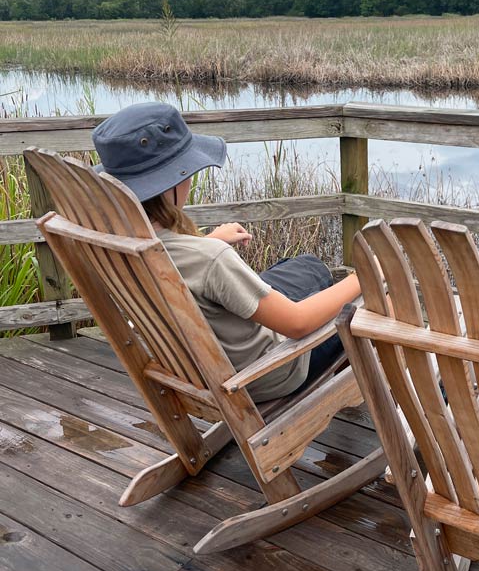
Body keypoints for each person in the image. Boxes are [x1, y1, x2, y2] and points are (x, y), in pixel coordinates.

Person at [91, 102, 360, 401]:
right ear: (172, 182)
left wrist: (211, 240)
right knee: (361, 305)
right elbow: (297, 323)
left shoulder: (115, 246)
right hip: (266, 373)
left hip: (197, 370)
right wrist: (365, 277)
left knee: (309, 267)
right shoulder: (209, 260)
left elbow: (185, 262)